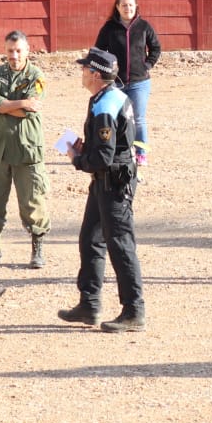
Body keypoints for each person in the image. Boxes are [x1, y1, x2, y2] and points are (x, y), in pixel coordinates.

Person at [58, 47, 145, 333]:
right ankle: (90, 304)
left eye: (85, 68)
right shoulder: (108, 97)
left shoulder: (104, 106)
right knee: (91, 239)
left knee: (120, 244)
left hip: (112, 182)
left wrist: (77, 158)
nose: (81, 72)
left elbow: (104, 158)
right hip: (106, 182)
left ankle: (133, 311)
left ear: (96, 74)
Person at [0, 31, 50, 268]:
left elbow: (30, 109)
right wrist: (18, 104)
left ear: (27, 51)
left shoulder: (36, 75)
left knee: (32, 199)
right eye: (10, 51)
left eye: (18, 50)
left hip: (27, 147)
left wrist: (5, 107)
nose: (14, 56)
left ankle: (37, 250)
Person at [92, 0, 162, 165]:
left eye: (130, 5)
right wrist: (105, 72)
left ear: (136, 6)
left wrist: (147, 66)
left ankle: (141, 153)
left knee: (138, 118)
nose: (127, 8)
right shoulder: (109, 28)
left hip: (140, 82)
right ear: (117, 7)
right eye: (124, 5)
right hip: (116, 82)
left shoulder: (144, 27)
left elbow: (155, 48)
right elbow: (98, 51)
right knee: (115, 117)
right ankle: (115, 152)